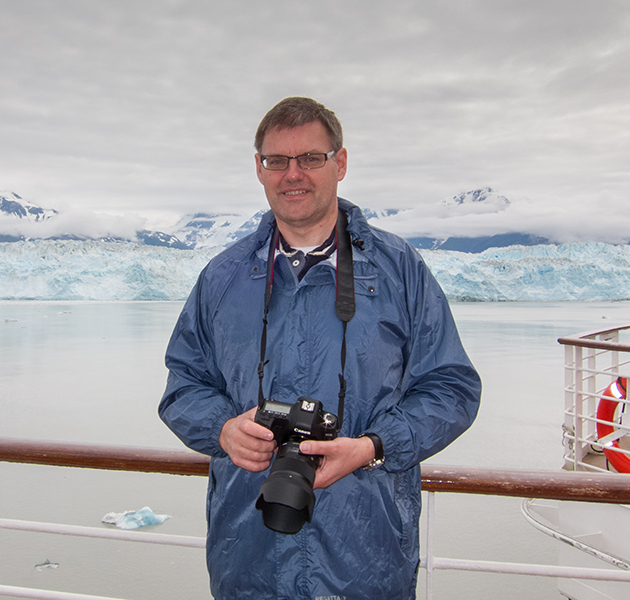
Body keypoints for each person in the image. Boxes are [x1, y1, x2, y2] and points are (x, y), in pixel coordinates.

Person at [159, 96, 481, 599]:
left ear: (341, 163)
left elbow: (452, 388)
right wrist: (222, 430)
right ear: (259, 170)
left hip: (368, 559)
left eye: (311, 158)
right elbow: (183, 387)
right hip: (248, 556)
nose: (294, 174)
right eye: (277, 161)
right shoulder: (222, 279)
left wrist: (372, 448)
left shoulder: (399, 271)